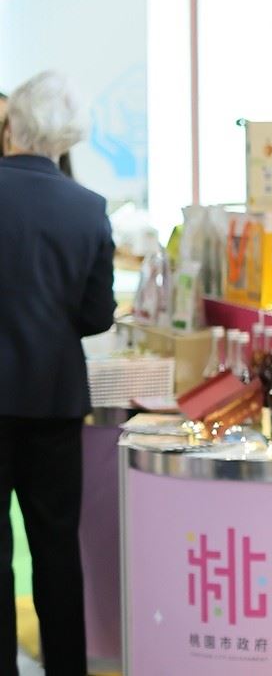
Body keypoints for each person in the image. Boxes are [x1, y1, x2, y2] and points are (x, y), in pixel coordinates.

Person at [0, 72, 115, 676]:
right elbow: (97, 317)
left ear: (12, 125)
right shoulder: (88, 209)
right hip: (54, 400)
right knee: (55, 549)